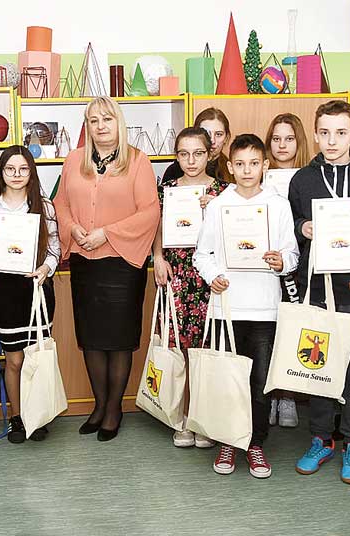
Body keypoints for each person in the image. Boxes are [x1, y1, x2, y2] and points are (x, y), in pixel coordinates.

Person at [287, 100, 350, 485]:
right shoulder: (302, 180)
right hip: (317, 287)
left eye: (341, 133)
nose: (332, 141)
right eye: (325, 133)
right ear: (315, 134)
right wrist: (302, 228)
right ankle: (321, 439)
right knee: (316, 368)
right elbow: (290, 228)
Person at [53, 96, 160, 441]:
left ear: (119, 123)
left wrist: (107, 233)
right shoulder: (74, 160)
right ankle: (99, 406)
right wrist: (72, 229)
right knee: (92, 339)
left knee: (119, 340)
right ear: (87, 125)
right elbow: (60, 203)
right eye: (93, 120)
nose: (100, 126)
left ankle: (114, 410)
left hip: (122, 264)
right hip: (84, 263)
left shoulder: (138, 161)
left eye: (107, 119)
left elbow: (150, 212)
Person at [193, 133, 299, 478]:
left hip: (265, 308)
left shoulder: (278, 204)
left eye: (254, 163)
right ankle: (228, 440)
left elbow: (292, 254)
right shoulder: (219, 205)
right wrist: (214, 277)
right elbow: (202, 255)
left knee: (259, 382)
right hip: (227, 308)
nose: (247, 170)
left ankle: (255, 443)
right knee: (229, 380)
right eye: (240, 164)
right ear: (230, 166)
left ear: (265, 165)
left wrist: (281, 261)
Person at [152, 127, 228, 449]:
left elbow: (234, 235)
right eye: (184, 154)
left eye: (198, 153)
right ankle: (182, 416)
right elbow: (156, 227)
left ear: (209, 153)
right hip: (176, 274)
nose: (191, 160)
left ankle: (203, 418)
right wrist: (157, 258)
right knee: (178, 349)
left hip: (209, 279)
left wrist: (217, 209)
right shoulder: (167, 189)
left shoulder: (223, 191)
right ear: (177, 156)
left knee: (206, 350)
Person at [0, 145, 59, 443]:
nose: (16, 174)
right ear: (2, 172)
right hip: (6, 291)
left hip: (37, 290)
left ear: (31, 172)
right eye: (10, 169)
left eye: (23, 169)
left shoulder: (44, 206)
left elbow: (55, 249)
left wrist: (46, 268)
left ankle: (38, 416)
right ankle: (17, 417)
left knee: (36, 357)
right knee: (14, 360)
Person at [264, 112, 312, 429]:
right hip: (266, 267)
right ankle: (270, 395)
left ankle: (289, 396)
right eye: (276, 138)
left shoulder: (310, 177)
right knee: (268, 333)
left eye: (289, 138)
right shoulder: (258, 175)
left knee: (293, 330)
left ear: (300, 142)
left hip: (300, 266)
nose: (282, 145)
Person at [162, 108, 232, 184]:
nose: (212, 140)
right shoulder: (173, 171)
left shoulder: (232, 169)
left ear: (226, 138)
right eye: (206, 133)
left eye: (218, 134)